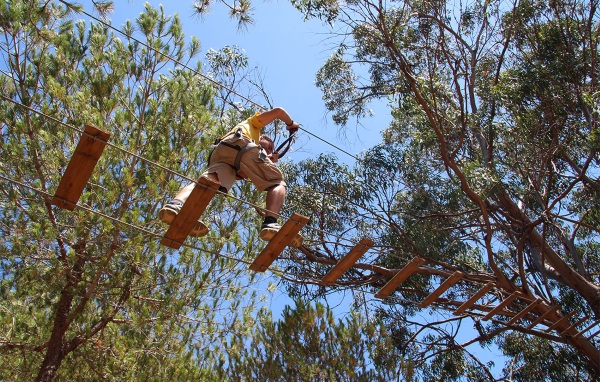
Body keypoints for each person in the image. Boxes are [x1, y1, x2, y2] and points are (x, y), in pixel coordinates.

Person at [159, 107, 303, 247]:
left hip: (223, 155)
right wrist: (291, 124)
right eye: (269, 146)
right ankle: (270, 222)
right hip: (240, 144)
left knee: (209, 182)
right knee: (277, 182)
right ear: (262, 138)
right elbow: (279, 111)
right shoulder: (253, 125)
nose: (269, 150)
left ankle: (175, 205)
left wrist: (268, 160)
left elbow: (242, 173)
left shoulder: (249, 153)